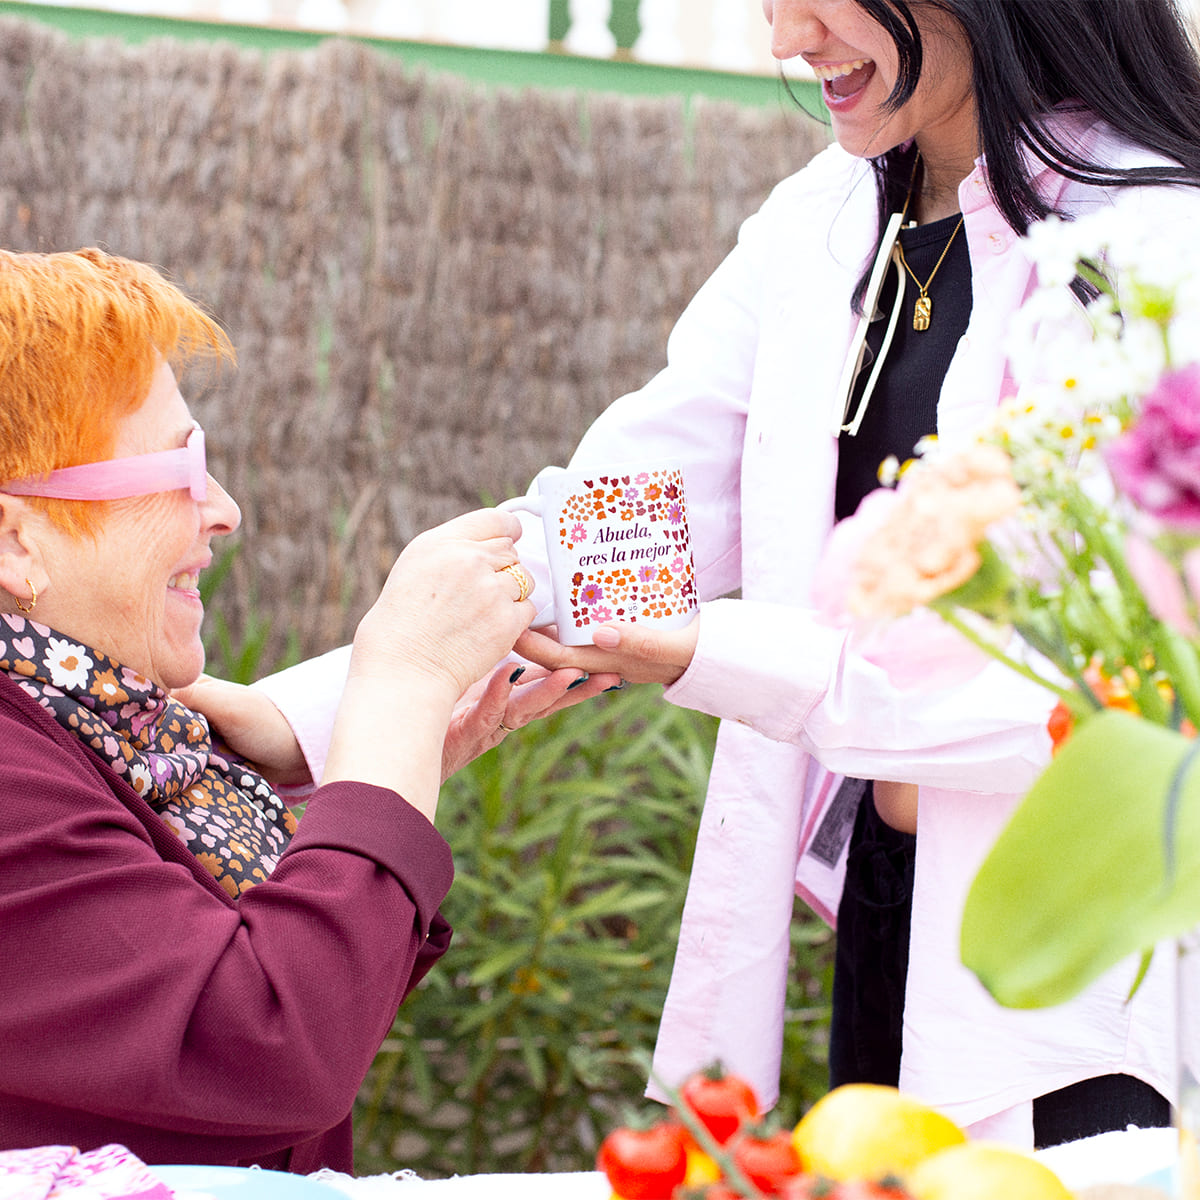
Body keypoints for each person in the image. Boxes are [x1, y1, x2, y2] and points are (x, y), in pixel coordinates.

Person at [208, 0, 1200, 1150]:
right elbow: (626, 523)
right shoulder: (822, 225)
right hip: (889, 905)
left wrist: (706, 652)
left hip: (1084, 964)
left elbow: (1103, 690)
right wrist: (312, 714)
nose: (785, 40)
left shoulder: (1156, 252)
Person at [0, 247, 616, 1172]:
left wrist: (399, 769)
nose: (224, 510)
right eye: (177, 468)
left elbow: (197, 1015)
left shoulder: (87, 729)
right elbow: (270, 1046)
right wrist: (396, 695)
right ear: (16, 541)